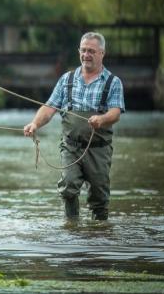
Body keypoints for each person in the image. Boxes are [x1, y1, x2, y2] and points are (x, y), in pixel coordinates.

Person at [24, 32, 125, 221]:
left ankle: (99, 234)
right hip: (70, 147)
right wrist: (35, 124)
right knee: (68, 187)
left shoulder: (113, 82)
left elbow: (116, 113)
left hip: (98, 149)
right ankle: (72, 229)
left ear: (102, 53)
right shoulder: (66, 80)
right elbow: (49, 108)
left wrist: (102, 119)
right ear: (79, 51)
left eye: (92, 51)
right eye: (83, 50)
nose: (86, 55)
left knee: (99, 196)